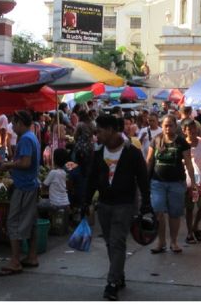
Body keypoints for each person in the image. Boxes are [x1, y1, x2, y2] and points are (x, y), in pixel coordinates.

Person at [84, 114, 151, 301]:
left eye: (100, 130)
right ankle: (119, 275)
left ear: (112, 130)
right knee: (110, 243)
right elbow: (91, 179)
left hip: (125, 204)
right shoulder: (98, 153)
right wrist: (85, 201)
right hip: (104, 204)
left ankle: (112, 283)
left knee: (117, 242)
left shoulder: (131, 152)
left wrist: (146, 203)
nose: (97, 134)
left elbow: (143, 179)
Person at [0, 110, 41, 276]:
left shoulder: (26, 139)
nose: (12, 127)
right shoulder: (32, 137)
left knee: (13, 222)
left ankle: (15, 261)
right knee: (31, 223)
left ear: (20, 123)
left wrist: (8, 165)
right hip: (29, 185)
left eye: (14, 123)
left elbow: (26, 162)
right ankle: (32, 256)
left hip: (24, 187)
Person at [146, 113, 196, 255]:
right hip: (157, 183)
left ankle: (173, 242)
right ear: (162, 127)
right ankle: (161, 242)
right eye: (165, 126)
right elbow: (149, 161)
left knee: (175, 213)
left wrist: (193, 183)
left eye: (171, 125)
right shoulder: (156, 140)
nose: (168, 128)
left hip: (176, 183)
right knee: (158, 212)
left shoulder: (181, 142)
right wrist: (144, 179)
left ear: (176, 126)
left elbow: (188, 163)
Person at [182, 118, 201, 244]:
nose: (192, 132)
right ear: (184, 131)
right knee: (189, 208)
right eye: (189, 130)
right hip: (188, 180)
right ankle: (189, 232)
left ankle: (195, 226)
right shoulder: (182, 144)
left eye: (194, 129)